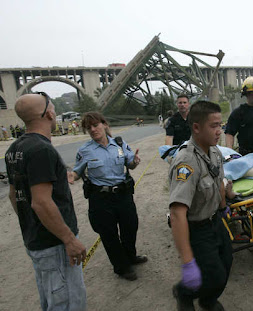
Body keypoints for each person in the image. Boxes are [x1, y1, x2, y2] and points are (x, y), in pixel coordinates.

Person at [5, 92, 86, 310]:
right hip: (55, 244)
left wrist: (33, 224)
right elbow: (41, 202)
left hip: (36, 240)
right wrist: (69, 239)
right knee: (68, 302)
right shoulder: (42, 150)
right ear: (49, 113)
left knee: (51, 298)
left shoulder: (15, 149)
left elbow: (14, 195)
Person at [68, 111, 147, 281]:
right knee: (108, 234)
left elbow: (130, 164)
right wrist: (71, 176)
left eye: (95, 125)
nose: (93, 130)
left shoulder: (119, 144)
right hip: (100, 199)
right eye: (89, 128)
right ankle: (121, 267)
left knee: (130, 227)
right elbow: (77, 171)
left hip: (123, 194)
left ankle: (130, 256)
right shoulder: (85, 150)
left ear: (104, 125)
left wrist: (135, 161)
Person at [169, 100, 233, 311]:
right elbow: (177, 213)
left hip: (215, 221)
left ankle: (206, 299)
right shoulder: (186, 162)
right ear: (196, 127)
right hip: (197, 228)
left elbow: (219, 182)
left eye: (220, 125)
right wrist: (187, 262)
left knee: (225, 264)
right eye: (214, 126)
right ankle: (184, 292)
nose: (219, 131)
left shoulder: (214, 152)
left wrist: (223, 207)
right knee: (213, 273)